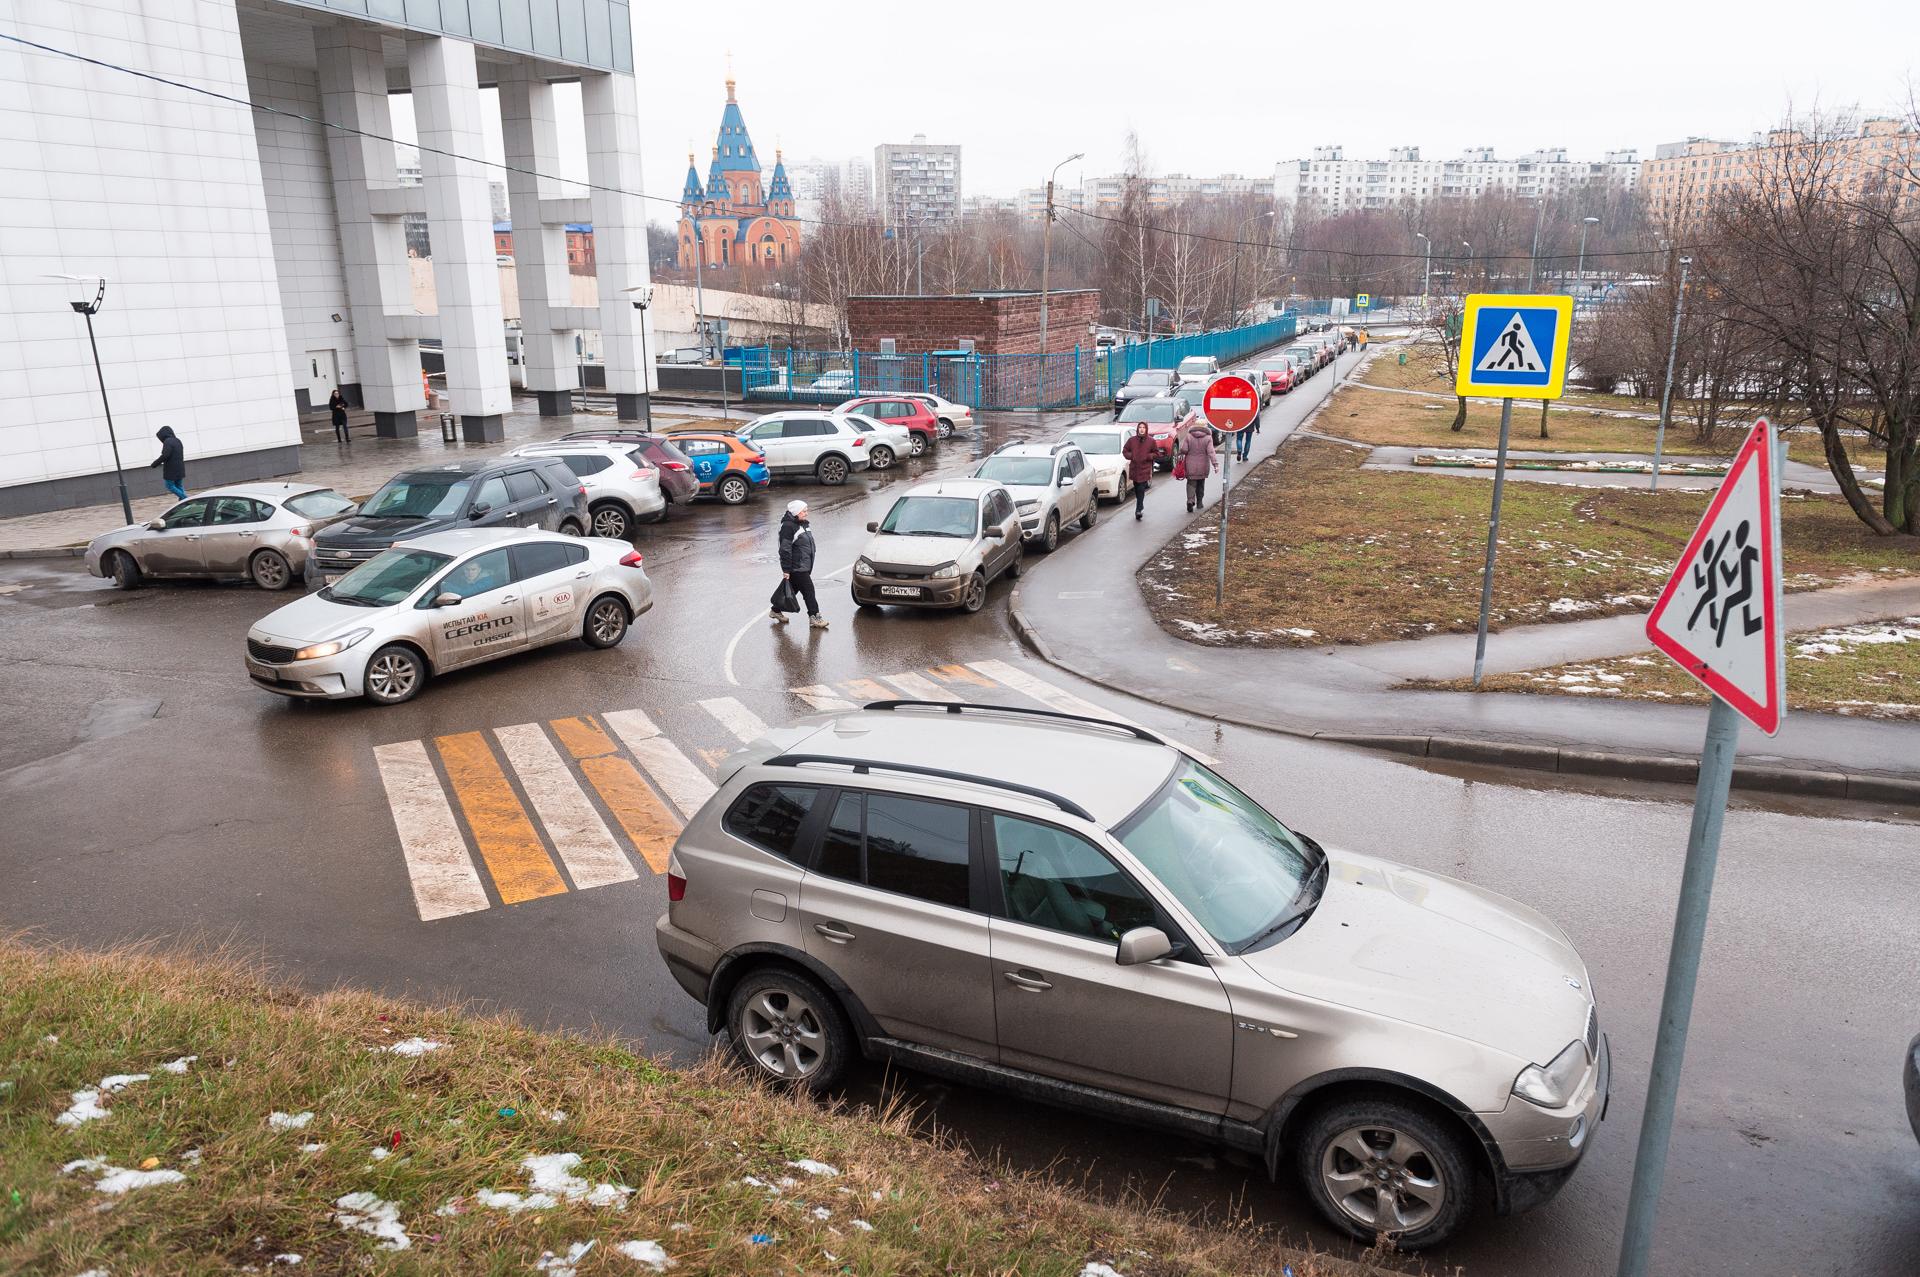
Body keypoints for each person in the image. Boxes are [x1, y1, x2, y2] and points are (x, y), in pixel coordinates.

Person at [774, 498, 827, 629]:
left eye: (806, 510)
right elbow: (784, 549)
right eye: (804, 511)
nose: (806, 513)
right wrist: (786, 570)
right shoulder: (788, 527)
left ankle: (775, 610)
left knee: (792, 589)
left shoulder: (802, 524)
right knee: (809, 590)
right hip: (796, 567)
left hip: (803, 565)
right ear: (796, 512)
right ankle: (814, 617)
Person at [1176, 418, 1216, 512]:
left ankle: (1190, 500)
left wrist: (1181, 452)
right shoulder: (1208, 437)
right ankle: (1199, 503)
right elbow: (1211, 452)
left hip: (1190, 464)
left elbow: (1184, 449)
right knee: (1201, 484)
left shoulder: (1189, 436)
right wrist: (1215, 464)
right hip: (1203, 465)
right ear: (1205, 426)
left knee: (1191, 483)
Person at [1121, 421, 1156, 521]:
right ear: (1137, 429)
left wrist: (1149, 456)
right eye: (1140, 427)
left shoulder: (1151, 441)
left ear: (1146, 429)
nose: (1141, 429)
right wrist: (1132, 456)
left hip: (1145, 469)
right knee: (1137, 489)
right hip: (1135, 469)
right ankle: (1140, 505)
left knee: (1141, 489)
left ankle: (1138, 510)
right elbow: (1125, 451)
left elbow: (1156, 453)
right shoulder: (1132, 440)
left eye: (1143, 427)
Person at [150, 426, 187, 501]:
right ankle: (184, 502)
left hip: (171, 469)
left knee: (169, 485)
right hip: (180, 467)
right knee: (179, 485)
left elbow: (165, 455)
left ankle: (185, 499)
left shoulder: (167, 442)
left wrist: (155, 464)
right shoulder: (177, 440)